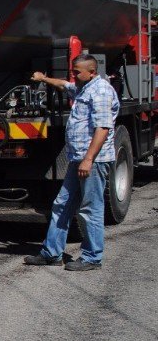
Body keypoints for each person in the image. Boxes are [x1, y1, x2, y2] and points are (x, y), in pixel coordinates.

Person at [25, 55, 119, 271]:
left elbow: (102, 128)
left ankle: (92, 258)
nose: (73, 75)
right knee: (62, 204)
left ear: (92, 71)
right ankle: (52, 253)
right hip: (78, 159)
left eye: (77, 72)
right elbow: (64, 85)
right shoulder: (84, 87)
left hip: (92, 162)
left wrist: (88, 159)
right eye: (73, 71)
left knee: (90, 209)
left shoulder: (101, 91)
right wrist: (43, 78)